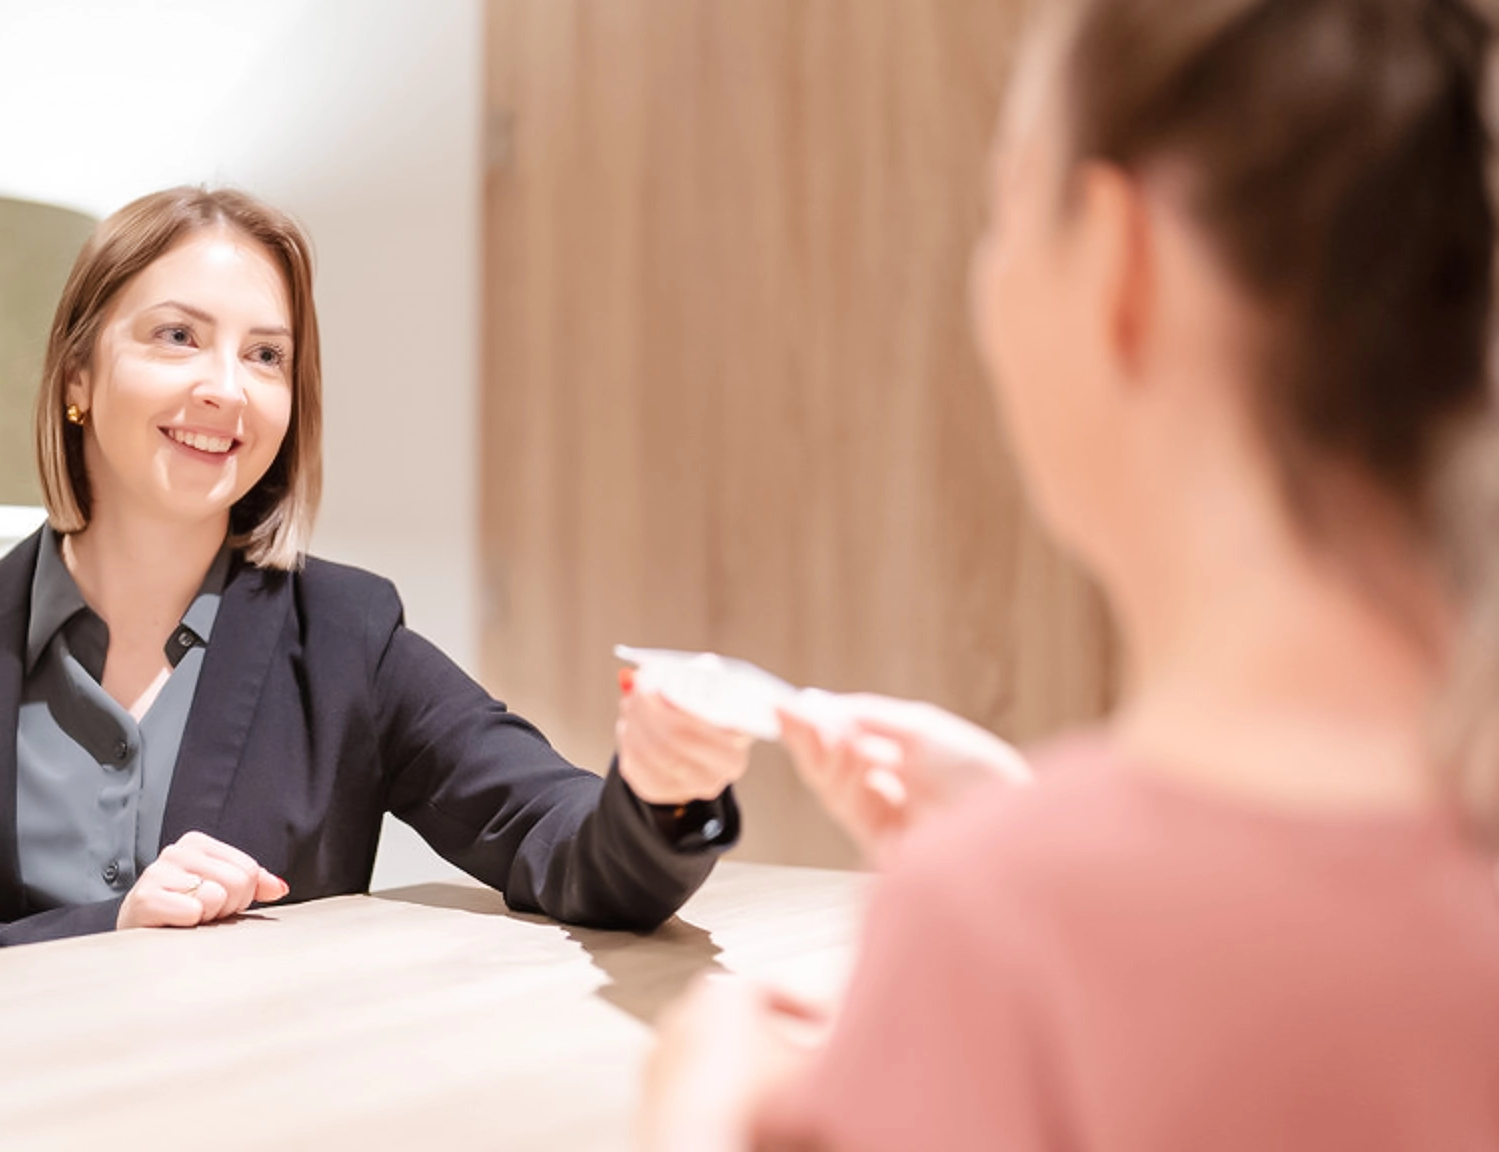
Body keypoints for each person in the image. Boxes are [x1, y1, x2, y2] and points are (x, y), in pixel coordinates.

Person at [638, 0, 1499, 1147]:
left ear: (1115, 258)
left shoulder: (991, 928)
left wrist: (698, 1108)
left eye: (1001, 207)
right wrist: (1036, 832)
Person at [0, 187, 746, 973]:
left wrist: (664, 795)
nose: (228, 387)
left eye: (266, 354)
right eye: (176, 336)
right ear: (77, 375)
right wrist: (107, 924)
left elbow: (564, 842)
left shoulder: (347, 636)